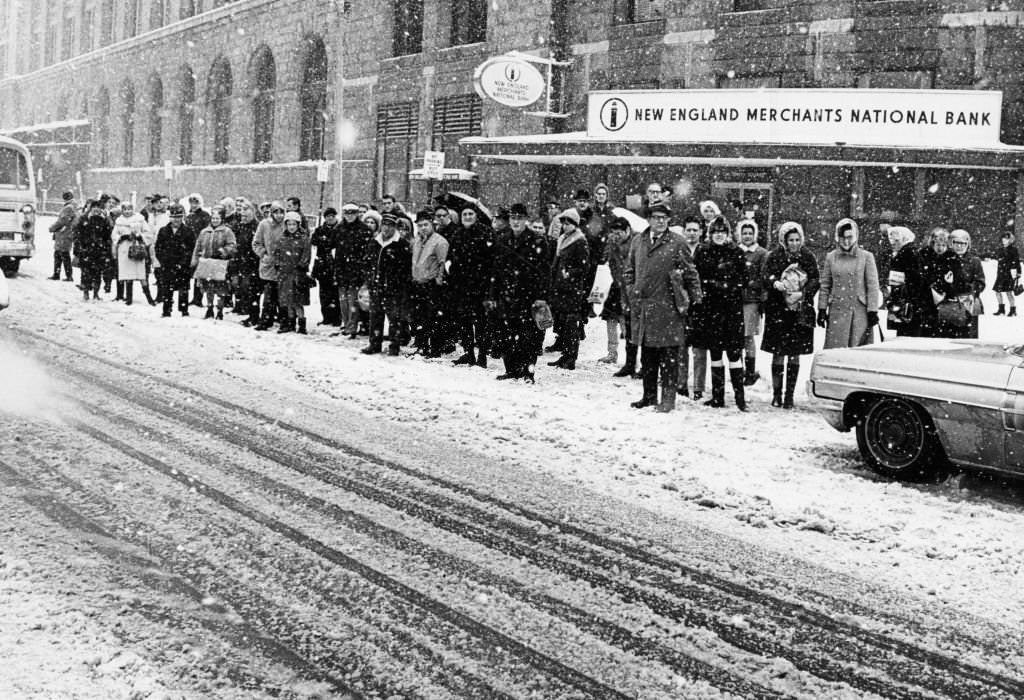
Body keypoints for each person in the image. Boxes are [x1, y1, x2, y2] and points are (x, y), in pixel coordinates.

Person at [623, 202, 702, 413]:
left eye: (664, 218)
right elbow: (629, 271)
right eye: (656, 217)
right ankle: (648, 396)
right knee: (648, 356)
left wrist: (696, 302)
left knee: (668, 357)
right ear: (648, 219)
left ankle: (668, 400)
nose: (660, 221)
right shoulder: (638, 241)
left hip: (668, 310)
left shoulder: (677, 242)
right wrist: (632, 291)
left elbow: (691, 273)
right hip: (644, 308)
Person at [691, 215, 748, 410]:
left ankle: (740, 398)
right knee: (715, 352)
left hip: (732, 309)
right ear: (710, 234)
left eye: (722, 232)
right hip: (710, 308)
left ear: (728, 234)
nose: (719, 236)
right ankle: (718, 396)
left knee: (734, 353)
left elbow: (744, 279)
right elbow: (696, 276)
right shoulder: (702, 251)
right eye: (715, 232)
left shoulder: (736, 252)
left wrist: (728, 286)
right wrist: (709, 286)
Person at [762, 221, 820, 408]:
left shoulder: (807, 256)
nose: (794, 243)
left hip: (799, 310)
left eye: (797, 240)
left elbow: (815, 279)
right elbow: (765, 275)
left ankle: (789, 395)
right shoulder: (774, 256)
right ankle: (777, 394)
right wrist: (774, 284)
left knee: (794, 353)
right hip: (778, 309)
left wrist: (804, 294)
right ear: (784, 240)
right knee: (778, 352)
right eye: (790, 240)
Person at [491, 202, 550, 381]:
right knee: (506, 335)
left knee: (528, 338)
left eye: (519, 218)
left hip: (528, 296)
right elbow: (496, 270)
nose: (516, 221)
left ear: (526, 220)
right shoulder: (502, 239)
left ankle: (527, 372)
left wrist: (541, 297)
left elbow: (544, 271)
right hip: (507, 295)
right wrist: (493, 295)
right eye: (513, 218)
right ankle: (511, 369)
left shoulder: (537, 241)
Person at [818, 218, 881, 349]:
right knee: (836, 351)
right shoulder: (831, 257)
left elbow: (873, 287)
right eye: (842, 237)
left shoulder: (866, 257)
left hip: (859, 312)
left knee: (857, 351)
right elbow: (825, 285)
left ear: (856, 236)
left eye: (850, 237)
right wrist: (822, 309)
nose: (846, 241)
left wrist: (872, 310)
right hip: (837, 310)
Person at [448, 204, 495, 368]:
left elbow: (491, 260)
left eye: (470, 214)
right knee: (464, 322)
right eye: (464, 214)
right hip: (461, 286)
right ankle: (469, 353)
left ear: (476, 216)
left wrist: (486, 283)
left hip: (479, 287)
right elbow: (451, 257)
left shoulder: (485, 233)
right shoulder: (457, 234)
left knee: (480, 323)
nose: (467, 217)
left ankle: (482, 356)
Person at [362, 213, 412, 355]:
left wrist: (397, 283)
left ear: (395, 227)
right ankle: (374, 343)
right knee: (375, 317)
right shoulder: (374, 242)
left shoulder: (401, 244)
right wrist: (369, 279)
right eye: (384, 224)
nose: (386, 228)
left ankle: (394, 345)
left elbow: (405, 269)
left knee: (394, 319)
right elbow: (367, 262)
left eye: (390, 225)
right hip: (376, 286)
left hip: (393, 289)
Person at [547, 208, 590, 371]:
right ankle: (565, 355)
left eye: (568, 223)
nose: (565, 226)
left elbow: (584, 267)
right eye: (563, 223)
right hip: (560, 288)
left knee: (571, 325)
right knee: (563, 325)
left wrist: (569, 273)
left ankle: (571, 358)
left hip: (572, 290)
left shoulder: (580, 241)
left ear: (575, 224)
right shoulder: (563, 239)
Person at [409, 209, 449, 355]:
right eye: (420, 225)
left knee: (432, 318)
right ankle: (422, 345)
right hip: (418, 283)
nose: (423, 228)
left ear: (432, 224)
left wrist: (439, 281)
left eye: (425, 224)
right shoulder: (418, 241)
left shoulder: (440, 242)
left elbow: (443, 263)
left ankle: (435, 348)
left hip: (431, 285)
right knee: (419, 317)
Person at [334, 203, 373, 338]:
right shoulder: (339, 228)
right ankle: (346, 324)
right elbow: (334, 247)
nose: (350, 216)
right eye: (347, 213)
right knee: (343, 301)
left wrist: (362, 268)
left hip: (356, 270)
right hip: (341, 269)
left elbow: (367, 253)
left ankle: (352, 327)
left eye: (352, 213)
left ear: (357, 214)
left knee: (353, 301)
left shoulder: (364, 230)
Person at [191, 205, 237, 319]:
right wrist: (195, 260)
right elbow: (198, 246)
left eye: (217, 218)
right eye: (213, 218)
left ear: (221, 219)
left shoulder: (227, 231)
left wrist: (223, 251)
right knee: (208, 287)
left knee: (221, 288)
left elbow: (232, 245)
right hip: (207, 263)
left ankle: (220, 310)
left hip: (220, 264)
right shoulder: (204, 232)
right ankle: (210, 308)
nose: (215, 220)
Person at [678, 217, 707, 398]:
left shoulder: (705, 251)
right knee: (681, 346)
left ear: (701, 232)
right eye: (689, 230)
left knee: (699, 348)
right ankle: (681, 383)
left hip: (701, 303)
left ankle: (698, 386)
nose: (692, 233)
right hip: (681, 302)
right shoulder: (678, 250)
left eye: (695, 230)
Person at [737, 218, 768, 385]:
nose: (747, 236)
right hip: (735, 299)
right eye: (744, 233)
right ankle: (739, 368)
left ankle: (750, 371)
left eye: (750, 233)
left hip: (751, 300)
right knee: (737, 336)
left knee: (748, 336)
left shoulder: (761, 253)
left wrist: (751, 283)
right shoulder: (735, 251)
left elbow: (764, 277)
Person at [924, 229, 969, 339]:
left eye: (943, 245)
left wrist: (950, 284)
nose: (940, 248)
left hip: (946, 304)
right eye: (938, 244)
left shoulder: (952, 258)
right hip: (928, 303)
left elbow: (961, 283)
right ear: (932, 244)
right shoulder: (925, 256)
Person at [154, 203, 196, 317]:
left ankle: (183, 310)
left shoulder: (188, 231)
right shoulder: (163, 231)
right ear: (170, 217)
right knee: (167, 288)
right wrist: (163, 260)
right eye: (174, 217)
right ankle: (166, 310)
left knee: (183, 288)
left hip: (183, 265)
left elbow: (192, 249)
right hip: (167, 265)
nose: (176, 220)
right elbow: (158, 248)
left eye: (179, 217)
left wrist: (184, 261)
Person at [599, 216, 632, 365]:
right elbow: (603, 259)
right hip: (616, 286)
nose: (616, 236)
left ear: (628, 231)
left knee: (627, 322)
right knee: (610, 319)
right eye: (613, 232)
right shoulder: (611, 242)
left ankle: (631, 357)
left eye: (619, 233)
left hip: (631, 288)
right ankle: (612, 353)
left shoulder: (636, 243)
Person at [885, 225, 926, 337]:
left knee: (906, 336)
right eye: (891, 240)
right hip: (911, 304)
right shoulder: (909, 252)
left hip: (907, 305)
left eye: (896, 240)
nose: (892, 243)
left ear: (904, 239)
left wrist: (899, 298)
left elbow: (911, 281)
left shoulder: (905, 254)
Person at [274, 211, 312, 333]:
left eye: (293, 224)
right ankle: (290, 323)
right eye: (289, 224)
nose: (291, 227)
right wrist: (278, 264)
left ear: (298, 225)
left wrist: (301, 266)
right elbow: (277, 254)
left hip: (297, 274)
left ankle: (301, 324)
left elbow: (306, 255)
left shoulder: (303, 239)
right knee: (286, 300)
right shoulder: (282, 239)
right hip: (284, 274)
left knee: (297, 302)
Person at [112, 201, 155, 306]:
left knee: (141, 275)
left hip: (137, 248)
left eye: (129, 209)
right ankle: (129, 298)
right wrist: (121, 238)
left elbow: (148, 233)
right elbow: (114, 235)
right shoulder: (119, 221)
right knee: (128, 275)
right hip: (124, 249)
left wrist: (140, 236)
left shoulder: (140, 220)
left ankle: (149, 297)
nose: (127, 211)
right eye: (125, 209)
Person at [252, 201, 286, 331]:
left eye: (281, 212)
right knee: (268, 295)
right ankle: (266, 320)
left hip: (283, 265)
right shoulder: (264, 225)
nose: (279, 215)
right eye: (276, 212)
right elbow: (256, 243)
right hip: (269, 264)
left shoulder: (287, 224)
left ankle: (283, 320)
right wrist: (264, 255)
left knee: (282, 295)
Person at [72, 200, 112, 301]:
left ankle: (96, 293)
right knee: (86, 273)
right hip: (86, 250)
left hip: (100, 251)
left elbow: (108, 236)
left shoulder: (104, 221)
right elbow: (77, 235)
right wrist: (78, 249)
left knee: (97, 273)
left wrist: (106, 249)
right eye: (94, 207)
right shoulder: (84, 219)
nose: (96, 210)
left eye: (98, 208)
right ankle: (85, 292)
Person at [231, 198, 262, 326]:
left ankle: (254, 316)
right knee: (244, 289)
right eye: (242, 211)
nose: (243, 213)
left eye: (246, 210)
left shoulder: (257, 226)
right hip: (242, 262)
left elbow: (257, 244)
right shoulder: (240, 226)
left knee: (252, 290)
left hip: (253, 262)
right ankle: (250, 313)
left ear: (253, 212)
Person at [950, 229, 986, 339]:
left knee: (968, 335)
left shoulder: (975, 261)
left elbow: (980, 281)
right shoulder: (947, 259)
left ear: (968, 244)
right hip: (950, 302)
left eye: (963, 243)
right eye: (956, 243)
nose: (959, 246)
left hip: (969, 302)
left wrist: (970, 290)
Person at [311, 207, 341, 326]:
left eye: (332, 216)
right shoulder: (319, 230)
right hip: (322, 266)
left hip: (334, 266)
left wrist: (326, 242)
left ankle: (336, 318)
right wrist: (323, 240)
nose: (330, 218)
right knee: (324, 294)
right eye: (328, 216)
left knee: (335, 294)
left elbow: (336, 243)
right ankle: (326, 317)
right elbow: (314, 241)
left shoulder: (339, 229)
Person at [48, 190, 77, 281]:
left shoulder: (68, 207)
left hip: (64, 234)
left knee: (61, 254)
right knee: (62, 254)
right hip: (68, 234)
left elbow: (61, 221)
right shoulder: (75, 206)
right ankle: (61, 274)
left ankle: (62, 275)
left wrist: (52, 228)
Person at [993, 231, 1021, 316]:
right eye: (1003, 239)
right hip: (1001, 273)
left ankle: (1013, 310)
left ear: (1010, 240)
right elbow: (999, 261)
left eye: (1006, 239)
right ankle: (1001, 309)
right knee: (997, 291)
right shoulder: (1000, 250)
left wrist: (1018, 272)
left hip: (1009, 274)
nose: (1004, 240)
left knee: (1009, 292)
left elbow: (1017, 262)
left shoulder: (1013, 250)